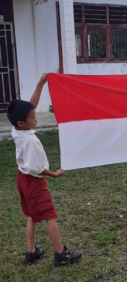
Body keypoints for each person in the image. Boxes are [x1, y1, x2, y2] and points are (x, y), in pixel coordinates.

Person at [7, 73, 82, 266]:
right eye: (33, 118)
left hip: (22, 180)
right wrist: (54, 174)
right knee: (50, 216)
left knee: (33, 216)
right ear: (21, 123)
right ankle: (60, 255)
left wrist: (40, 83)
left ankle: (31, 253)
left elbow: (30, 107)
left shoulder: (17, 129)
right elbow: (38, 169)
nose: (36, 119)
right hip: (33, 182)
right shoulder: (30, 141)